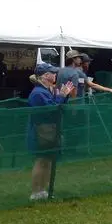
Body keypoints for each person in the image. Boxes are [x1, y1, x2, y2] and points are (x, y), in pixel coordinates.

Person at [27, 63, 74, 200]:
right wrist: (61, 96)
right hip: (40, 132)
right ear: (46, 76)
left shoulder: (46, 91)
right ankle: (36, 191)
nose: (55, 75)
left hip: (49, 131)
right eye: (53, 73)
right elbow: (51, 109)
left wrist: (63, 96)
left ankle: (43, 190)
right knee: (41, 160)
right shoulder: (38, 93)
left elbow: (57, 108)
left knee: (48, 160)